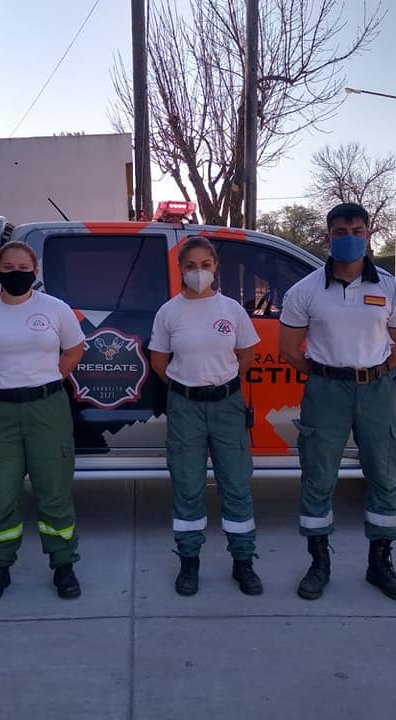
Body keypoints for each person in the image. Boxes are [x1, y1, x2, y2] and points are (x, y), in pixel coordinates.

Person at [278, 202, 396, 603]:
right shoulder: (305, 291)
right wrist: (326, 375)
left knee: (384, 472)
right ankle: (318, 563)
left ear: (368, 235)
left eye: (357, 230)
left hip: (376, 389)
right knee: (318, 477)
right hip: (325, 390)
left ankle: (381, 564)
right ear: (328, 237)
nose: (350, 238)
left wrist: (374, 371)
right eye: (341, 232)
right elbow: (289, 348)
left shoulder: (391, 288)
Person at [0, 241, 85, 602]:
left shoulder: (55, 309)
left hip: (47, 410)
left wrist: (49, 377)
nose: (16, 273)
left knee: (54, 493)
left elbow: (74, 349)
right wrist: (1, 382)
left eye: (23, 267)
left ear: (35, 271)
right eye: (9, 268)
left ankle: (63, 565)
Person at [149, 236, 263, 596]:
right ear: (181, 269)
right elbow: (159, 362)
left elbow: (246, 355)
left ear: (215, 267)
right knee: (187, 487)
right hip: (185, 407)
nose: (198, 272)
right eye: (190, 265)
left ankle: (243, 563)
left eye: (205, 264)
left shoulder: (231, 310)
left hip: (227, 404)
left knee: (236, 484)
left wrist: (219, 384)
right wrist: (189, 387)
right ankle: (189, 564)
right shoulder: (169, 312)